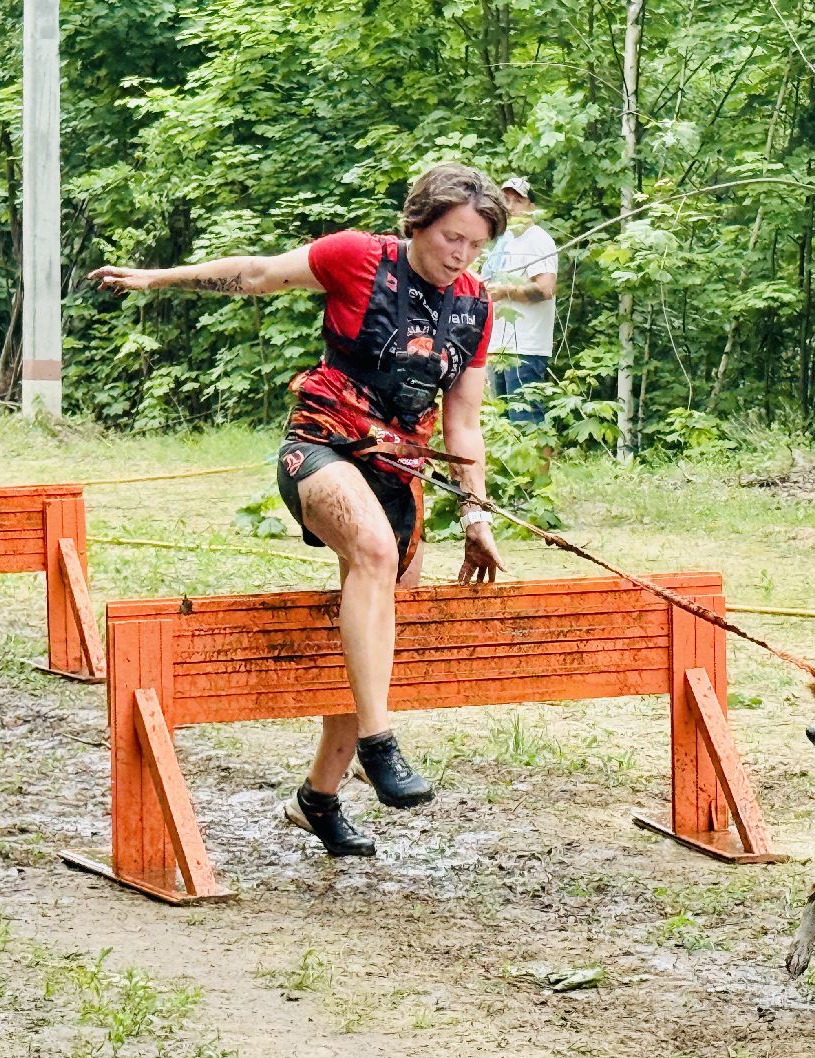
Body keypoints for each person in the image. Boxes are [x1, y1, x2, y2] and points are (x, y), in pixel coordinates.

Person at [89, 163, 508, 858]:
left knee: (373, 629)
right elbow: (256, 273)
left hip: (399, 470)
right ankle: (380, 745)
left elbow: (464, 425)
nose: (460, 255)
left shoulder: (474, 305)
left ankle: (318, 797)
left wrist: (476, 520)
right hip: (319, 448)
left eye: (475, 244)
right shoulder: (355, 258)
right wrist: (157, 279)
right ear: (418, 223)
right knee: (372, 552)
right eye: (451, 238)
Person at [480, 176, 558, 424]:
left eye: (519, 200)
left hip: (525, 348)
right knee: (503, 428)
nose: (511, 206)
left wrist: (504, 291)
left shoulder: (537, 238)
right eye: (506, 200)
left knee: (527, 421)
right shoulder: (503, 240)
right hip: (498, 348)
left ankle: (541, 465)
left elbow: (545, 289)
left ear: (531, 207)